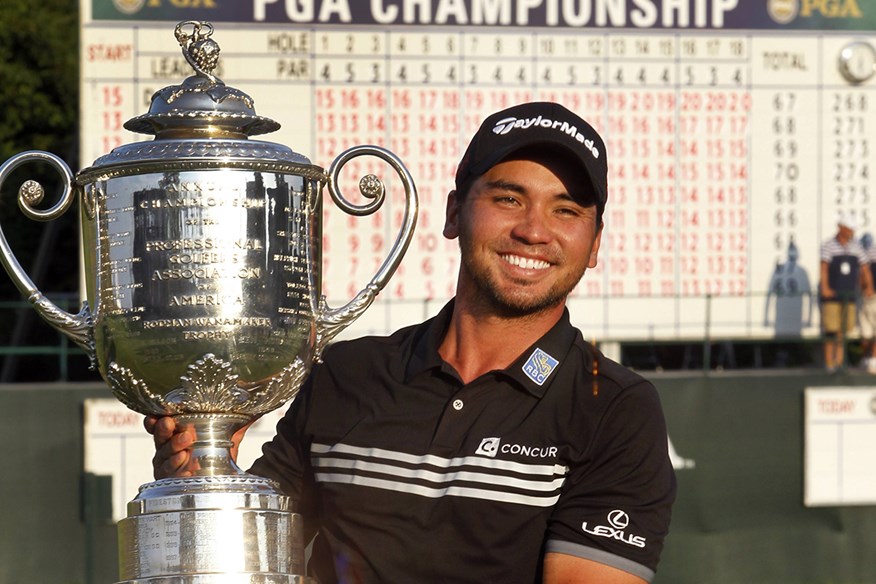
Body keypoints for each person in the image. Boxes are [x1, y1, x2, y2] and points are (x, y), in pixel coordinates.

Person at [148, 102, 677, 584]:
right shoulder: (346, 372)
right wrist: (203, 482)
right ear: (453, 214)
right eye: (508, 198)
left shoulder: (613, 408)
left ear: (594, 244)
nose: (534, 231)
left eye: (567, 210)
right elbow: (257, 557)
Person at [819, 215, 873, 372]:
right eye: (849, 228)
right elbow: (823, 268)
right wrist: (825, 287)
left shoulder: (856, 247)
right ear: (841, 227)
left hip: (849, 296)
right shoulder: (828, 246)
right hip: (832, 296)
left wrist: (868, 286)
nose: (851, 232)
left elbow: (864, 269)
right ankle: (829, 364)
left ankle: (840, 362)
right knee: (830, 330)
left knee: (843, 331)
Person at [858, 232, 876, 373]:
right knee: (866, 333)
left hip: (873, 297)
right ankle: (866, 360)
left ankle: (873, 360)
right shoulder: (858, 254)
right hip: (863, 298)